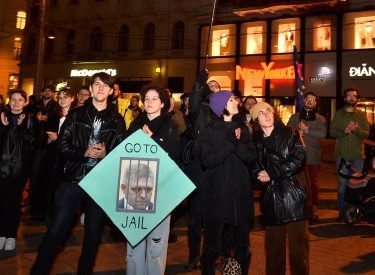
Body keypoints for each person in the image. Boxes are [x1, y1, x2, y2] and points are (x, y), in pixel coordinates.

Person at [30, 72, 126, 275]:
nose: (100, 88)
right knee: (55, 231)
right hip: (73, 180)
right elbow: (60, 147)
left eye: (105, 85)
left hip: (99, 184)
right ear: (91, 88)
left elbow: (121, 154)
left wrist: (106, 154)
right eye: (97, 84)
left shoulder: (117, 120)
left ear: (111, 91)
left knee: (92, 234)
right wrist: (84, 153)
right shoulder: (76, 115)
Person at [250, 102, 312, 275]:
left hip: (295, 199)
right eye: (261, 113)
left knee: (299, 251)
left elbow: (299, 159)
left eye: (268, 110)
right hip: (272, 201)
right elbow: (253, 171)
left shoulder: (290, 133)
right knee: (274, 252)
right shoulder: (254, 144)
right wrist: (259, 178)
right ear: (256, 120)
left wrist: (272, 171)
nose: (266, 115)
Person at [198, 90, 257, 275]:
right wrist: (230, 143)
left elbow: (251, 158)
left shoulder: (244, 129)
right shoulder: (209, 131)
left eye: (236, 99)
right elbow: (208, 160)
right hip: (217, 198)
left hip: (240, 197)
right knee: (211, 248)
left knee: (241, 249)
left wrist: (238, 142)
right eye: (231, 99)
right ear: (221, 105)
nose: (237, 102)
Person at [126, 84, 180, 275]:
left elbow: (173, 155)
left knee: (156, 244)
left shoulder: (171, 125)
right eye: (147, 98)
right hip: (134, 191)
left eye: (154, 98)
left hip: (160, 191)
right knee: (134, 242)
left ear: (163, 103)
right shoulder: (134, 125)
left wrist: (153, 142)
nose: (149, 102)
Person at [186, 70, 232, 269]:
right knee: (196, 214)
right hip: (201, 167)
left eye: (216, 87)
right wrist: (199, 82)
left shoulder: (227, 114)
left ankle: (221, 253)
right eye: (210, 87)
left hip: (221, 167)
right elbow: (193, 102)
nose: (212, 89)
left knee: (221, 212)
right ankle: (194, 254)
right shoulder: (200, 111)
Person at [0, 89, 38, 250]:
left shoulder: (30, 120)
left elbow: (33, 142)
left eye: (20, 100)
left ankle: (11, 235)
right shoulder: (2, 117)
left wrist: (22, 128)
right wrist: (2, 128)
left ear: (25, 102)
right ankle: (1, 234)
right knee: (1, 201)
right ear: (9, 102)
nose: (16, 103)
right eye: (13, 99)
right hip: (1, 168)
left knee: (15, 202)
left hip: (20, 169)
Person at [30, 88, 75, 221]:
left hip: (68, 161)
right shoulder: (54, 117)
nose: (62, 99)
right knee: (50, 193)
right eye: (60, 97)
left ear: (72, 99)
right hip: (52, 159)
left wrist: (59, 139)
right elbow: (43, 139)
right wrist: (49, 139)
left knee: (65, 195)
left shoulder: (76, 117)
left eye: (65, 97)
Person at [329, 87, 370, 223]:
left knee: (357, 186)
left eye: (354, 96)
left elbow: (366, 133)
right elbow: (332, 132)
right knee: (342, 185)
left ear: (357, 99)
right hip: (342, 156)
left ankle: (355, 213)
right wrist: (344, 131)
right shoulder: (339, 114)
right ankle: (342, 211)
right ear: (345, 98)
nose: (351, 98)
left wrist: (356, 129)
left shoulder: (361, 115)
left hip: (358, 156)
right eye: (348, 96)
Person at [287, 92, 327, 218]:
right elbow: (287, 133)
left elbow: (322, 134)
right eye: (308, 99)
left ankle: (314, 206)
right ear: (304, 101)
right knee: (298, 182)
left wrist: (306, 129)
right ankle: (300, 205)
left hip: (313, 155)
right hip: (298, 156)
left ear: (315, 103)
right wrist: (296, 133)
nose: (310, 101)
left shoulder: (320, 119)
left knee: (314, 183)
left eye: (313, 100)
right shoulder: (295, 117)